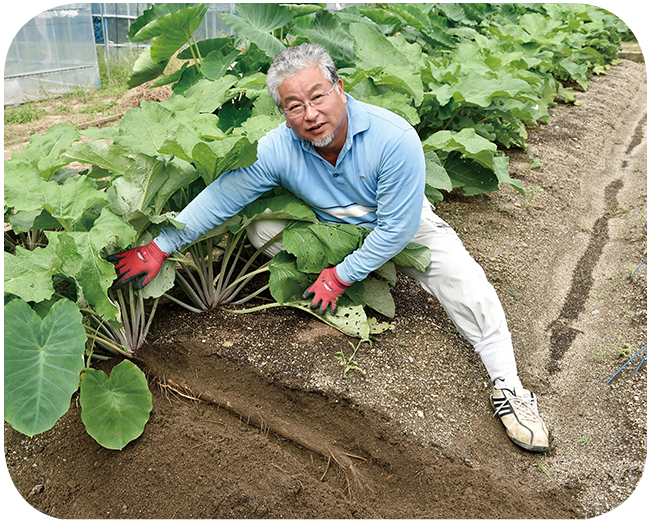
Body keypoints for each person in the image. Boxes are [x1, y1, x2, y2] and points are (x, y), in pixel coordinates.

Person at [109, 43, 549, 453]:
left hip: (402, 222)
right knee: (261, 229)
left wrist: (342, 273)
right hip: (334, 224)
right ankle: (359, 276)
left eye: (317, 97)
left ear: (339, 89)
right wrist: (162, 246)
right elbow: (227, 194)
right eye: (294, 106)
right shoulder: (280, 147)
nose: (310, 114)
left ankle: (509, 386)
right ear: (283, 114)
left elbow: (395, 230)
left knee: (468, 285)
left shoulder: (393, 138)